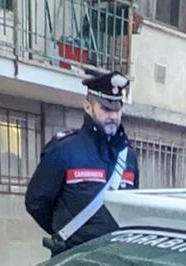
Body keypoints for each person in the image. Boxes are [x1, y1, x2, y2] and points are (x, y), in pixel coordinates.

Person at [25, 72, 139, 255]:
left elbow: (131, 207)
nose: (113, 116)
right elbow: (36, 202)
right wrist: (66, 233)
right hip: (74, 260)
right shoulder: (64, 149)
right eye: (106, 109)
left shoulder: (128, 156)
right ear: (87, 106)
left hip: (116, 259)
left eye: (117, 110)